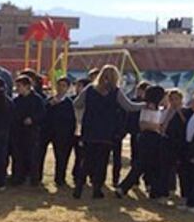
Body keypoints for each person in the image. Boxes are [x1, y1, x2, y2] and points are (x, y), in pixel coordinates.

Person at [72, 65, 143, 199]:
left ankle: (79, 188)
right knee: (101, 161)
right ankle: (97, 190)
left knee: (86, 160)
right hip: (106, 131)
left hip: (89, 130)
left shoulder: (90, 89)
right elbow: (129, 106)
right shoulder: (116, 92)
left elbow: (76, 103)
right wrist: (145, 104)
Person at [117, 85, 167, 200]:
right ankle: (123, 187)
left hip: (154, 138)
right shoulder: (148, 107)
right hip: (149, 137)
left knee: (152, 165)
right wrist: (158, 127)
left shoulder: (157, 108)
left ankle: (154, 190)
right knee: (140, 164)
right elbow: (143, 124)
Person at [10, 75, 46, 187]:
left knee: (32, 156)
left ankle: (33, 178)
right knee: (18, 156)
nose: (17, 88)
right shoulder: (16, 100)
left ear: (27, 86)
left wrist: (33, 119)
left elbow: (43, 115)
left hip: (32, 133)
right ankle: (18, 177)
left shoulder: (37, 100)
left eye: (19, 86)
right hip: (18, 133)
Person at [41, 77, 76, 187]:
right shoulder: (49, 100)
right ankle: (37, 177)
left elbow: (71, 120)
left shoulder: (69, 103)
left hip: (62, 134)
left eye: (63, 86)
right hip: (47, 132)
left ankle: (60, 179)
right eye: (59, 85)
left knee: (61, 157)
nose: (60, 88)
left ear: (68, 88)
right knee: (40, 155)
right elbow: (42, 113)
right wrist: (50, 105)